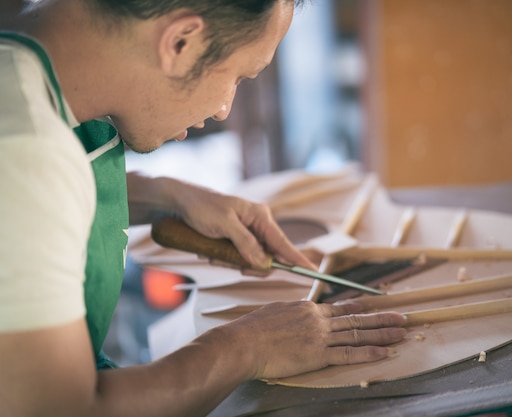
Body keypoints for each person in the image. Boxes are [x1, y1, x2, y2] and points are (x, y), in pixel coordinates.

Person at [0, 1, 407, 415]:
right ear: (180, 43)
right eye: (237, 76)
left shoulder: (27, 57)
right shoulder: (22, 149)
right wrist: (247, 347)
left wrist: (164, 197)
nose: (224, 108)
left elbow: (39, 205)